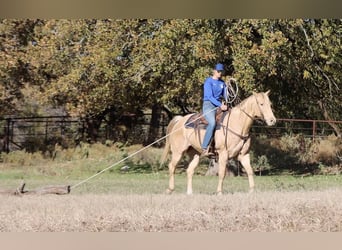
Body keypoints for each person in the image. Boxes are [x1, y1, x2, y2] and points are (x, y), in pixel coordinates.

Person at [201, 63, 228, 156]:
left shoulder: (222, 83)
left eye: (221, 71)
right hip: (209, 105)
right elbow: (209, 96)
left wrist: (226, 102)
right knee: (212, 123)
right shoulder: (208, 82)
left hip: (219, 105)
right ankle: (204, 147)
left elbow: (225, 95)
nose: (220, 73)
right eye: (218, 71)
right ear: (214, 71)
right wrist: (220, 105)